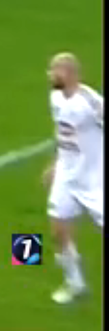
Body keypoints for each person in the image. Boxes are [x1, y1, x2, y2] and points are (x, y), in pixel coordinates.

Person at [42, 51, 103, 304]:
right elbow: (62, 133)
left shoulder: (90, 102)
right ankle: (75, 284)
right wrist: (56, 163)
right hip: (67, 177)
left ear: (70, 74)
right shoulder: (55, 97)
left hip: (95, 179)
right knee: (58, 229)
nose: (50, 75)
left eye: (54, 70)